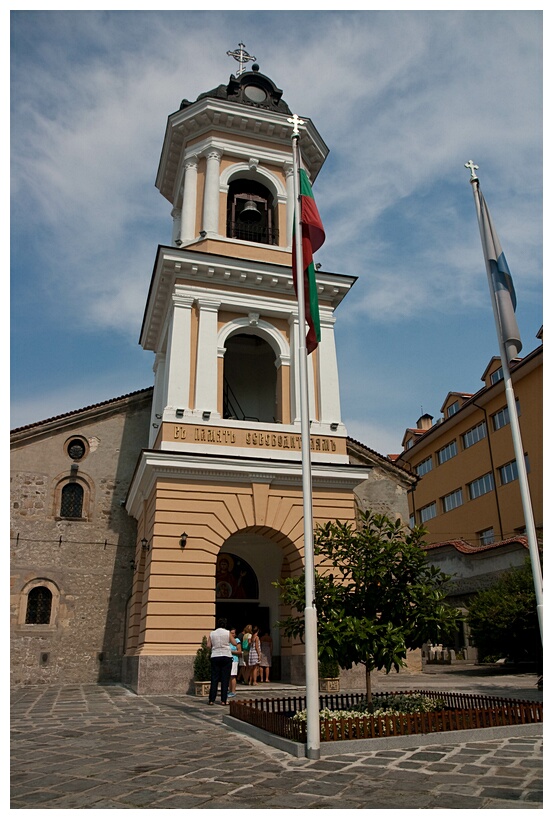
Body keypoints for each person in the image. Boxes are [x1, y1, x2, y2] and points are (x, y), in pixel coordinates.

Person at [206, 617, 239, 705]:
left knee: (214, 678)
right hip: (226, 656)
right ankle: (223, 700)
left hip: (215, 656)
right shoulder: (227, 633)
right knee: (225, 678)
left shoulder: (212, 633)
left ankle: (211, 699)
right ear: (225, 625)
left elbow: (208, 645)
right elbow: (234, 643)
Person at [228, 627, 241, 698]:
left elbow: (239, 651)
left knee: (232, 676)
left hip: (234, 660)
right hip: (228, 660)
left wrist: (231, 652)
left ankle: (233, 691)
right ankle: (229, 690)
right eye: (231, 633)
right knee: (229, 676)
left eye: (234, 633)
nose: (233, 634)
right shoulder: (227, 641)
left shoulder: (237, 640)